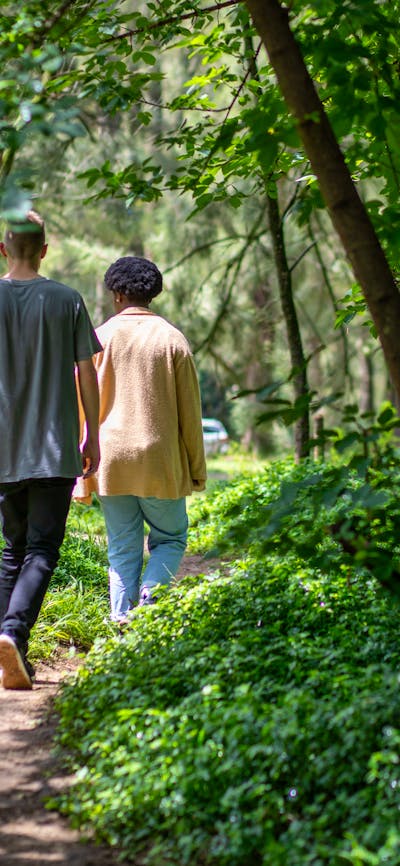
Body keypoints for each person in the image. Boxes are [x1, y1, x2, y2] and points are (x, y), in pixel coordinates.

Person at [0, 210, 101, 690]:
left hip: (3, 450)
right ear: (44, 249)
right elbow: (87, 371)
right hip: (54, 448)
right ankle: (12, 633)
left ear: (3, 249)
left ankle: (5, 642)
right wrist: (93, 436)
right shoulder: (68, 300)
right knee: (41, 549)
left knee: (11, 551)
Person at [74, 255, 206, 622]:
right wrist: (196, 468)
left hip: (110, 460)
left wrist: (81, 472)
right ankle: (151, 595)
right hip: (160, 462)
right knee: (171, 539)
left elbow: (80, 409)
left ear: (116, 294)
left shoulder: (98, 337)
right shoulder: (172, 340)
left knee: (121, 547)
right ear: (153, 294)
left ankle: (120, 619)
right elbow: (190, 415)